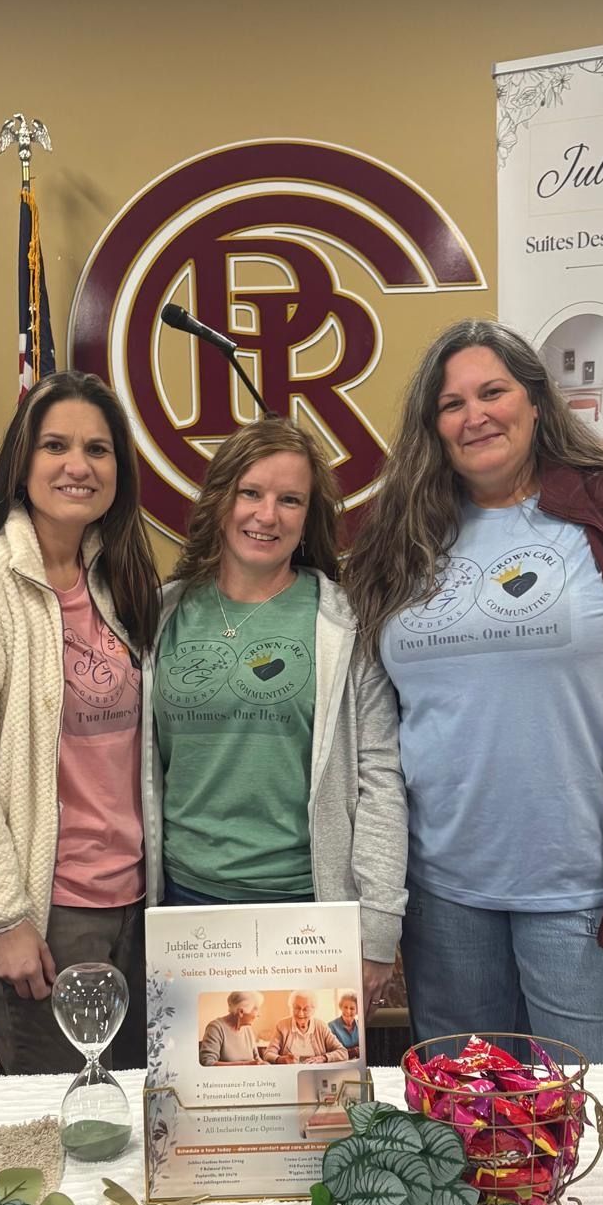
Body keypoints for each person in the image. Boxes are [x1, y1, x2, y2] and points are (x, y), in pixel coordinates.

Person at [344, 319, 603, 1064]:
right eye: (450, 404)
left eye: (493, 391)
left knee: (591, 1129)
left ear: (536, 402)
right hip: (444, 895)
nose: (475, 416)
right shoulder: (399, 533)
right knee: (465, 1131)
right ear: (431, 428)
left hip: (586, 890)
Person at [0, 371, 160, 1074]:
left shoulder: (118, 582)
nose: (78, 465)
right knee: (69, 1123)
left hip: (135, 902)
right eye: (56, 445)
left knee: (138, 1112)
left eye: (98, 449)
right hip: (46, 912)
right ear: (22, 464)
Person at [142, 417, 407, 1009]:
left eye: (290, 500)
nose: (268, 515)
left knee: (309, 1094)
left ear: (308, 517)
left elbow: (379, 779)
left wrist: (380, 927)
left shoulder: (343, 622)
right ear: (220, 501)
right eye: (251, 493)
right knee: (203, 1082)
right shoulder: (162, 615)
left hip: (307, 907)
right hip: (187, 902)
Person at [263, 990, 348, 1065]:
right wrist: (280, 1059)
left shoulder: (321, 1026)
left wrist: (324, 1058)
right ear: (291, 1007)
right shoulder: (282, 1025)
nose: (300, 1013)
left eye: (306, 1009)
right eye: (297, 1008)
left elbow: (343, 1052)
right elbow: (268, 1054)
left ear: (313, 1010)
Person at [198, 989, 266, 1066]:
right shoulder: (215, 1028)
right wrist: (245, 1064)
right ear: (241, 1012)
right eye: (256, 1009)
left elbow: (257, 1059)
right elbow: (208, 1063)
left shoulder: (248, 1029)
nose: (259, 1015)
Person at [327, 991, 362, 1060]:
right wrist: (353, 1052)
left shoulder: (361, 1025)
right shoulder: (331, 1026)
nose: (348, 1011)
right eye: (345, 1007)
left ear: (357, 1010)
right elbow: (330, 1052)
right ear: (341, 1007)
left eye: (352, 1008)